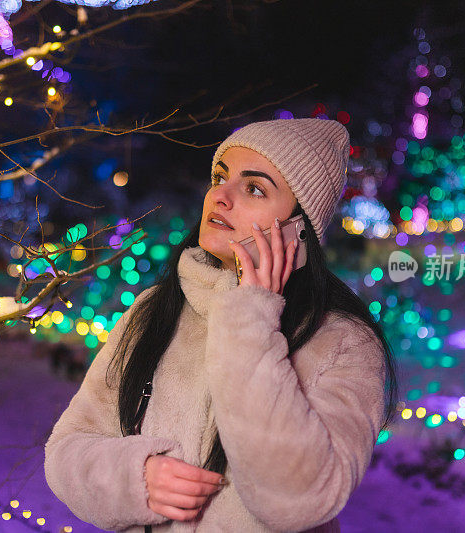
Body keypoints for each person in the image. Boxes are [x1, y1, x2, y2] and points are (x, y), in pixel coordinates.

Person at [44, 118, 399, 532]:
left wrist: (250, 316)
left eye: (254, 188)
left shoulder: (342, 342)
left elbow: (303, 499)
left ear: (298, 229)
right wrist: (133, 478)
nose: (220, 196)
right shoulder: (153, 311)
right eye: (220, 176)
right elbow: (67, 451)